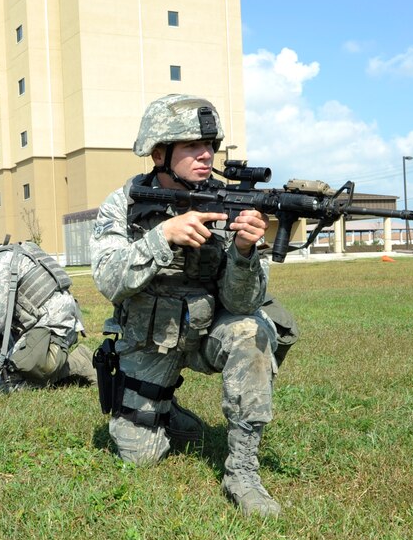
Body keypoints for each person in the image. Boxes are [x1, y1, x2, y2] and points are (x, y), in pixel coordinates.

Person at [89, 94, 282, 517]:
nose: (206, 154)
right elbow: (107, 280)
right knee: (141, 456)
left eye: (209, 145)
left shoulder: (229, 203)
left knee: (252, 331)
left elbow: (242, 302)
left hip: (209, 332)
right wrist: (162, 237)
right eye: (192, 146)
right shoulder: (124, 204)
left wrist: (245, 252)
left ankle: (243, 472)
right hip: (151, 339)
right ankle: (163, 406)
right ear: (159, 153)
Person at [0, 220, 97, 393]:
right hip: (63, 321)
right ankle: (52, 358)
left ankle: (75, 363)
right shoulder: (16, 251)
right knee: (8, 360)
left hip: (53, 328)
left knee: (4, 386)